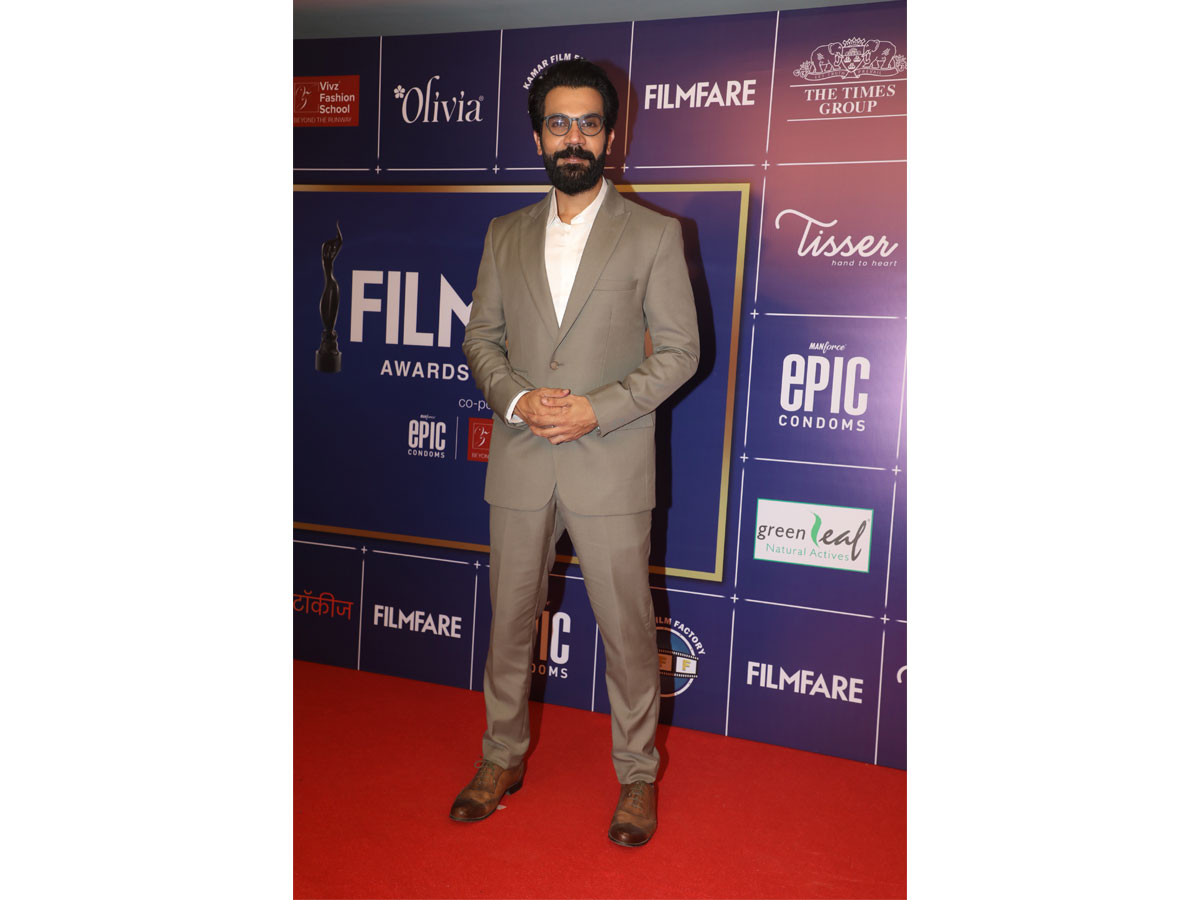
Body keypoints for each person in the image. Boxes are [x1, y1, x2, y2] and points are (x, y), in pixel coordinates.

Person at [454, 59, 700, 847]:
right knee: (508, 625)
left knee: (627, 632)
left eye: (589, 124)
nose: (574, 138)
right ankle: (501, 757)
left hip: (611, 463)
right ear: (537, 137)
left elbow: (682, 351)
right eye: (558, 123)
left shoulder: (655, 234)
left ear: (610, 137)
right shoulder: (504, 234)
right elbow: (482, 339)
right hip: (522, 460)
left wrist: (599, 408)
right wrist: (517, 400)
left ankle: (637, 774)